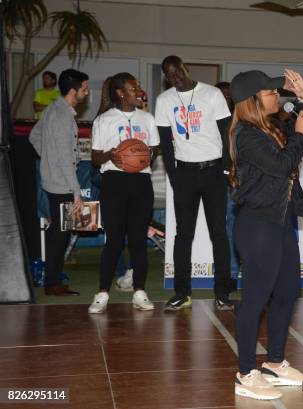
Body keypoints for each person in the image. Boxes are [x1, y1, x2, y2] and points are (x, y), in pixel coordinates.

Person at [229, 69, 303, 400]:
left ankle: (275, 363)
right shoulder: (247, 135)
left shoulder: (271, 128)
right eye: (269, 93)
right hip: (257, 225)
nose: (277, 97)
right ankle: (246, 372)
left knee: (288, 292)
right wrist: (300, 136)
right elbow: (282, 165)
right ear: (252, 101)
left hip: (281, 222)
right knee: (255, 299)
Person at [155, 55, 234, 311]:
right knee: (183, 236)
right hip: (185, 174)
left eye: (177, 71)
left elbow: (227, 134)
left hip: (213, 172)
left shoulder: (211, 94)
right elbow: (165, 143)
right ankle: (182, 292)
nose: (175, 77)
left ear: (185, 68)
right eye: (169, 75)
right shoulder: (164, 101)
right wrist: (174, 177)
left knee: (219, 234)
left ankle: (222, 293)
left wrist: (226, 170)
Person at [87, 73, 160, 314]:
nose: (139, 91)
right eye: (133, 88)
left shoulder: (147, 118)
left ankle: (139, 292)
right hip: (114, 181)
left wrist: (145, 152)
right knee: (114, 240)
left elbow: (154, 149)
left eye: (138, 87)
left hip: (141, 181)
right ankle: (102, 293)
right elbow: (95, 157)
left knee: (139, 240)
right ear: (120, 92)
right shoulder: (104, 120)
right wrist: (112, 155)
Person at [29, 69, 89, 296]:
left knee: (58, 231)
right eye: (84, 88)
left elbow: (34, 136)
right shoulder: (63, 116)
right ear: (73, 91)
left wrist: (48, 159)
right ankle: (52, 283)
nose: (86, 93)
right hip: (62, 182)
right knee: (59, 235)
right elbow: (65, 159)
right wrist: (76, 192)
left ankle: (53, 280)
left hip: (52, 179)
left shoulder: (53, 108)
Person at [215, 81, 240, 288]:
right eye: (221, 95)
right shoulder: (207, 119)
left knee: (233, 226)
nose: (225, 98)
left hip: (234, 181)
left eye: (228, 95)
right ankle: (223, 272)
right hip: (212, 179)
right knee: (218, 229)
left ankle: (231, 274)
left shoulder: (239, 119)